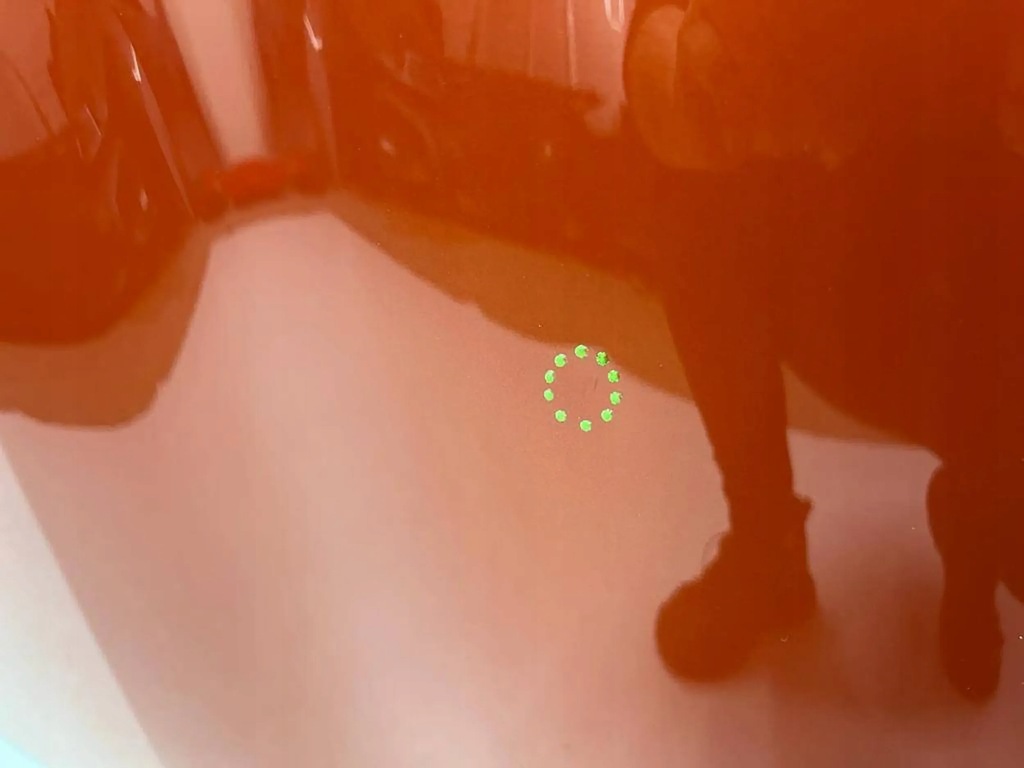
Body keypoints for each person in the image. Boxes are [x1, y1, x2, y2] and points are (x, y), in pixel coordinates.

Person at [623, 0, 1023, 701]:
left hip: (968, 182)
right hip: (818, 186)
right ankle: (766, 543)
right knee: (691, 197)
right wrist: (679, 48)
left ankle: (977, 528)